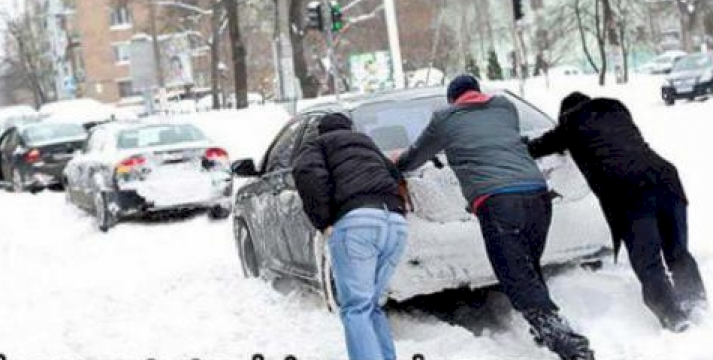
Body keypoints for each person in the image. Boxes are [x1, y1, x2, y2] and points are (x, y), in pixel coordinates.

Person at [393, 75, 594, 360]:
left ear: (453, 99)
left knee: (515, 276)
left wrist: (396, 164)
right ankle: (545, 327)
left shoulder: (445, 120)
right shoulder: (505, 107)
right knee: (528, 267)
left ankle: (566, 342)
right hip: (538, 196)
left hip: (499, 201)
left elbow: (414, 158)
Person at [528, 92, 707, 332]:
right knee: (676, 249)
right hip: (666, 178)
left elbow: (537, 147)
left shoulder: (570, 124)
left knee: (648, 259)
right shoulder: (616, 109)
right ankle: (695, 301)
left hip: (630, 190)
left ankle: (673, 316)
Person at [292, 112, 408, 360]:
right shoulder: (368, 144)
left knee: (356, 308)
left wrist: (324, 221)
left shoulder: (318, 145)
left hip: (358, 225)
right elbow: (397, 177)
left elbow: (307, 174)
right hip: (395, 224)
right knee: (371, 306)